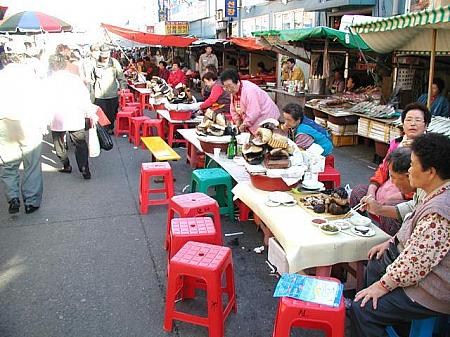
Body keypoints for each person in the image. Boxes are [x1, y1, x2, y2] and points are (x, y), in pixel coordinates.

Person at [349, 132, 450, 337]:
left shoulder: (440, 212)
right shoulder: (432, 191)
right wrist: (391, 241)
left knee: (363, 310)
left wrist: (382, 286)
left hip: (430, 289)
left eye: (412, 165)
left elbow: (416, 263)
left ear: (430, 172)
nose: (409, 170)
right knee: (376, 262)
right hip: (418, 270)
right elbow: (412, 220)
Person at [350, 103, 432, 234]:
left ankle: (387, 242)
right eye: (409, 120)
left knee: (391, 209)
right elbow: (383, 168)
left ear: (426, 125)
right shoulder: (396, 143)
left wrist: (396, 196)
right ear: (403, 124)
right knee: (358, 192)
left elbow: (422, 184)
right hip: (384, 189)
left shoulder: (428, 150)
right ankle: (361, 229)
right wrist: (372, 189)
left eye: (418, 120)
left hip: (405, 196)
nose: (413, 124)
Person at [0, 53, 48, 214]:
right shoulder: (31, 78)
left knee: (8, 163)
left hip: (4, 122)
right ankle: (31, 201)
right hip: (29, 121)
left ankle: (12, 197)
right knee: (32, 163)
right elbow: (42, 101)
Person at [46, 54, 97, 179]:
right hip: (75, 115)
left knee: (58, 143)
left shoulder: (48, 81)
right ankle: (84, 168)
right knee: (80, 143)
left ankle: (66, 164)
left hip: (56, 117)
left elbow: (44, 100)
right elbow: (84, 97)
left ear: (51, 66)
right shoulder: (74, 79)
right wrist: (90, 112)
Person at [363, 147, 424, 235]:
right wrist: (378, 209)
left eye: (393, 177)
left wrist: (391, 243)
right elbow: (414, 205)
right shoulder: (421, 191)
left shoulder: (434, 201)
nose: (391, 182)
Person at [220, 69, 280, 134]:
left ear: (237, 82)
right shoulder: (234, 91)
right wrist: (237, 121)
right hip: (254, 119)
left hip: (267, 117)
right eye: (225, 87)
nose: (228, 89)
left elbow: (254, 112)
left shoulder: (250, 90)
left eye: (230, 86)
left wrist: (244, 125)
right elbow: (233, 109)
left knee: (266, 138)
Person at [93, 44, 127, 133]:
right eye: (103, 56)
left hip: (112, 93)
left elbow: (121, 76)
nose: (105, 58)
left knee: (112, 113)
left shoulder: (114, 62)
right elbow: (91, 79)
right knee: (101, 114)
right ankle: (103, 130)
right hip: (99, 94)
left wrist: (123, 87)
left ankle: (110, 127)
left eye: (106, 56)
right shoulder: (95, 64)